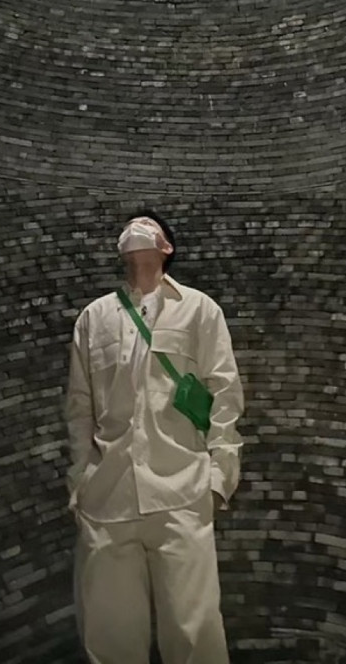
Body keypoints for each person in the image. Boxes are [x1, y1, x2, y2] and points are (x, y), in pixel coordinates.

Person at [65, 210, 244, 664]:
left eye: (148, 224)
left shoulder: (199, 310)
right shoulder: (93, 318)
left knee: (195, 635)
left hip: (181, 492)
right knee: (110, 638)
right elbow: (80, 407)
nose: (136, 227)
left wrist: (219, 477)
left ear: (167, 247)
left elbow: (225, 393)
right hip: (108, 500)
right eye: (130, 225)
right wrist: (80, 482)